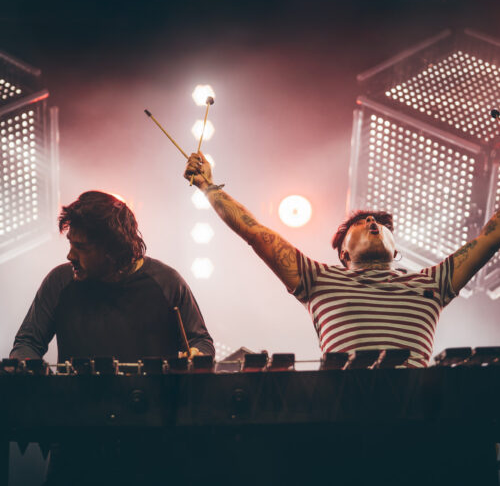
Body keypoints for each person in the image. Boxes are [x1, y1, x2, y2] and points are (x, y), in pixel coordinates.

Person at [184, 152, 500, 367]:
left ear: (395, 251)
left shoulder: (432, 281)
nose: (373, 223)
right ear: (343, 254)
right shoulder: (318, 279)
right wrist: (207, 187)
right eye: (361, 223)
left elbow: (490, 237)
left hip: (414, 418)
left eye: (381, 225)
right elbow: (254, 231)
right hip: (343, 412)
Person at [11, 190, 214, 362]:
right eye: (70, 243)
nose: (70, 256)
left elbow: (201, 342)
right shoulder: (59, 281)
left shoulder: (167, 283)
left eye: (81, 247)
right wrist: (26, 364)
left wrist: (197, 354)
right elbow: (27, 343)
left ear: (112, 249)